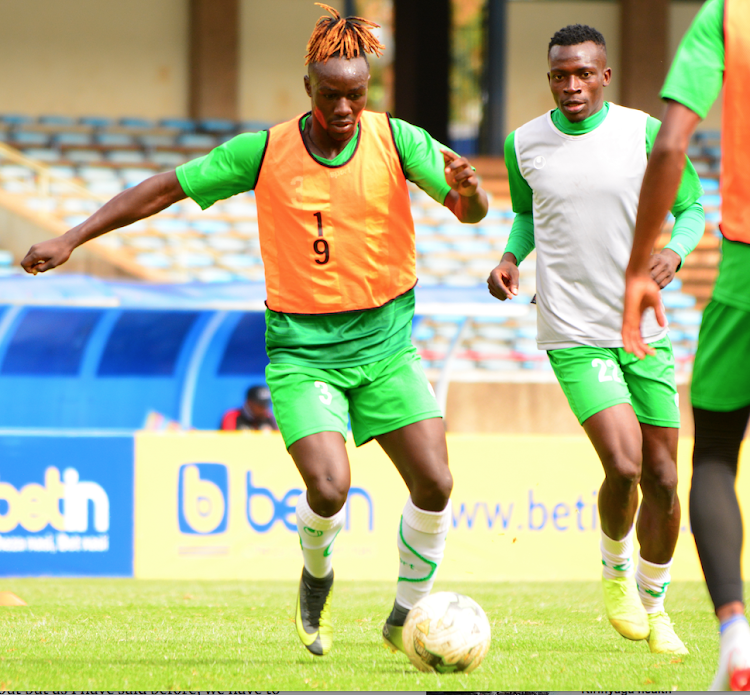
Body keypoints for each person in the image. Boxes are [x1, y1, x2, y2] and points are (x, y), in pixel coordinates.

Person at [20, 3, 488, 659]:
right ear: (308, 89)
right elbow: (165, 188)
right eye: (332, 95)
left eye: (357, 93)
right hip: (303, 352)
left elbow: (469, 210)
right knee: (329, 486)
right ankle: (315, 577)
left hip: (386, 347)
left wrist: (470, 193)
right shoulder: (267, 151)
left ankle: (404, 615)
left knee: (436, 481)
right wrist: (73, 236)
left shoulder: (399, 140)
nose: (346, 107)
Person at [487, 24, 705, 655]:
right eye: (561, 75)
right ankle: (615, 573)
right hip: (574, 329)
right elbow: (529, 215)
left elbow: (691, 207)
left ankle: (656, 602)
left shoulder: (643, 133)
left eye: (584, 74)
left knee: (665, 476)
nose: (572, 86)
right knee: (626, 462)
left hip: (645, 328)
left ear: (605, 75)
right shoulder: (523, 142)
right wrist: (509, 257)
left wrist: (675, 251)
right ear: (549, 76)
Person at [621, 0, 750, 689]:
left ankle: (736, 633)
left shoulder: (730, 16)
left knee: (719, 459)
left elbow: (670, 146)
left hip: (746, 276)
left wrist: (642, 265)